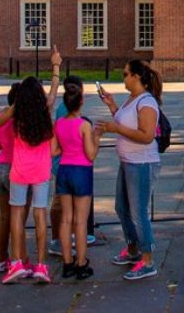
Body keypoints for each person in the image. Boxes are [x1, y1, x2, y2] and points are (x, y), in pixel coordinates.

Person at [97, 58, 163, 281]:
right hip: (127, 161)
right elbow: (125, 122)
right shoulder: (131, 99)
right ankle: (133, 248)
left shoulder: (147, 102)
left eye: (125, 74)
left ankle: (147, 260)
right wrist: (112, 106)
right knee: (122, 207)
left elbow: (147, 135)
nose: (123, 77)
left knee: (139, 212)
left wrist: (115, 128)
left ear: (136, 77)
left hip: (142, 163)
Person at [2, 76, 58, 285]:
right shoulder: (45, 114)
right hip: (41, 170)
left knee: (17, 214)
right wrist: (55, 68)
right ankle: (41, 264)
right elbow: (53, 93)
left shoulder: (17, 115)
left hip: (20, 171)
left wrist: (17, 104)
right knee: (40, 213)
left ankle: (16, 262)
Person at [54, 77, 98, 280]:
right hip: (81, 170)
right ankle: (81, 263)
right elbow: (90, 154)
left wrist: (66, 146)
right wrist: (96, 138)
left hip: (64, 170)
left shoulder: (59, 123)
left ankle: (67, 262)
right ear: (81, 102)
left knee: (65, 219)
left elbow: (53, 150)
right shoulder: (84, 125)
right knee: (80, 221)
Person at [0, 85, 17, 273]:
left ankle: (1, 259)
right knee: (18, 217)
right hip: (15, 169)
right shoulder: (21, 120)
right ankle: (17, 259)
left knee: (4, 217)